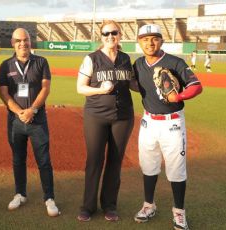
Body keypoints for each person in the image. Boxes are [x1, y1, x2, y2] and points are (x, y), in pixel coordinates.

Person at [133, 24, 202, 230]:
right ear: (139, 42)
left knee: (176, 170)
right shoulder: (137, 64)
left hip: (172, 123)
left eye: (154, 38)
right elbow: (134, 84)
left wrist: (178, 96)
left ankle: (179, 213)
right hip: (148, 122)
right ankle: (148, 205)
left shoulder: (175, 62)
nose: (150, 42)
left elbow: (197, 86)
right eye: (145, 39)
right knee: (148, 166)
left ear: (161, 41)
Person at [76, 20, 137, 222]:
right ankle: (88, 206)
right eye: (106, 33)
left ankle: (109, 205)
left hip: (123, 117)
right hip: (96, 116)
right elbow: (81, 88)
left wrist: (153, 84)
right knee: (94, 160)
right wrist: (100, 90)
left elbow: (133, 85)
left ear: (120, 35)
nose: (110, 36)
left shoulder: (126, 59)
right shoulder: (92, 58)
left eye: (114, 32)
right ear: (100, 36)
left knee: (115, 161)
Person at [0, 28, 60, 217]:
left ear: (30, 41)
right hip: (15, 121)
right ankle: (20, 193)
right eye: (18, 40)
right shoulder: (5, 65)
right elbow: (4, 93)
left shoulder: (41, 62)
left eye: (25, 40)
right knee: (18, 159)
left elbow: (45, 89)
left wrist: (32, 110)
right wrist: (19, 112)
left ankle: (49, 198)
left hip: (37, 119)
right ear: (12, 43)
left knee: (44, 160)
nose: (22, 43)